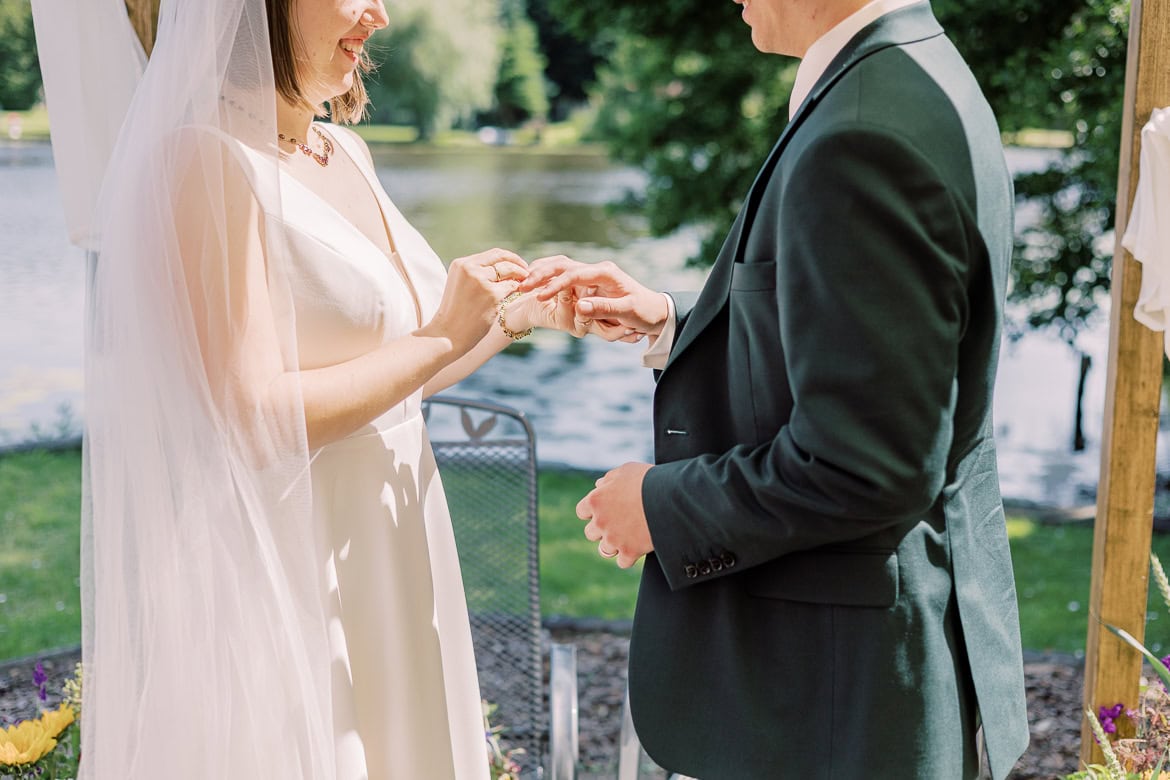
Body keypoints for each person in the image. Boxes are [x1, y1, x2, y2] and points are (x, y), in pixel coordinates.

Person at [521, 0, 1030, 777]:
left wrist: (659, 507)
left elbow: (870, 465)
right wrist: (667, 324)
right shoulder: (919, 67)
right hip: (872, 662)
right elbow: (873, 355)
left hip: (837, 691)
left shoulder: (863, 132)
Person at [72, 0, 579, 777]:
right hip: (298, 567)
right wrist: (441, 330)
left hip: (395, 548)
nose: (378, 14)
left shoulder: (341, 151)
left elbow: (401, 380)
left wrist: (517, 315)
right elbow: (253, 416)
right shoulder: (203, 161)